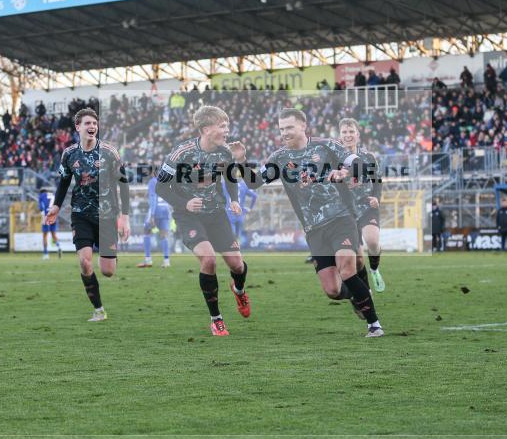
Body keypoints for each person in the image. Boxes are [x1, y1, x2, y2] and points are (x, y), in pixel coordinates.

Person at [233, 108, 384, 338]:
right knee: (332, 290)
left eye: (289, 127)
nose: (284, 132)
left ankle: (374, 325)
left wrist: (345, 173)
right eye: (281, 128)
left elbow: (359, 163)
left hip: (341, 218)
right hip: (314, 230)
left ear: (303, 125)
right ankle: (356, 294)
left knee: (347, 268)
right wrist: (241, 161)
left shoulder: (325, 146)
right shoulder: (279, 158)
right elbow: (254, 182)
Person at [156, 105, 249, 336]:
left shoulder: (225, 153)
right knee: (208, 260)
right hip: (188, 216)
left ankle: (238, 290)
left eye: (227, 125)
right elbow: (160, 186)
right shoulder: (181, 153)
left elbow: (230, 179)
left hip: (216, 214)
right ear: (206, 129)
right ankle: (216, 319)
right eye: (222, 126)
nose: (227, 130)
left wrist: (234, 200)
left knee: (237, 264)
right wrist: (184, 203)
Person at [45, 108, 131, 322]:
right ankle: (98, 309)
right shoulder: (69, 154)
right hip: (80, 213)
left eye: (94, 123)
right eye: (87, 123)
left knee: (108, 271)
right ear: (78, 127)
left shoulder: (110, 152)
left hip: (107, 215)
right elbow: (64, 182)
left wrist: (125, 216)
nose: (92, 126)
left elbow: (124, 184)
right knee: (84, 262)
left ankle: (111, 257)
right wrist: (56, 206)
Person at [339, 118, 385, 292]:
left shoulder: (368, 157)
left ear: (357, 135)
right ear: (340, 135)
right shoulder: (334, 158)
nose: (348, 135)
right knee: (357, 259)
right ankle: (366, 291)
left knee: (372, 242)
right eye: (344, 132)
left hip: (367, 206)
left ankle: (374, 269)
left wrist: (376, 197)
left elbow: (377, 180)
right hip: (347, 212)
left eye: (351, 132)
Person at [138, 170, 172, 268]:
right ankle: (166, 261)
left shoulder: (153, 181)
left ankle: (148, 259)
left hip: (156, 209)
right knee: (164, 235)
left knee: (146, 231)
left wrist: (152, 215)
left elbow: (153, 197)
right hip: (166, 209)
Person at [38, 187, 61, 260]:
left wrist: (43, 215)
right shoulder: (53, 194)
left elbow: (41, 207)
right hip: (53, 215)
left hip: (46, 215)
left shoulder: (41, 195)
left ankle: (46, 254)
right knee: (53, 233)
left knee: (45, 235)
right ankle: (59, 246)